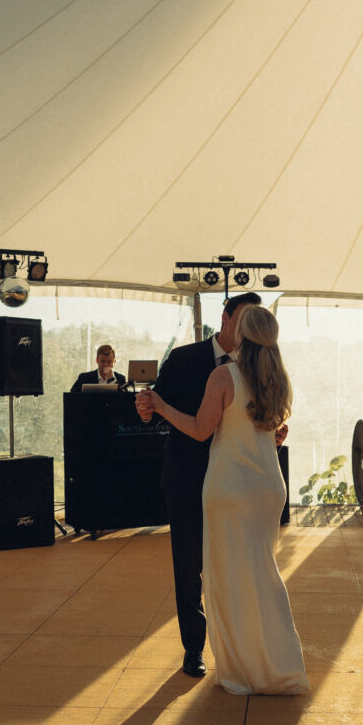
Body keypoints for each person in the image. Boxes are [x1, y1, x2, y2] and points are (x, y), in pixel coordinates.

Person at [139, 304, 309, 696]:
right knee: (261, 576)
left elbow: (201, 430)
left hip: (229, 487)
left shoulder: (224, 374)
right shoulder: (276, 377)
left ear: (241, 331)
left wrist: (162, 407)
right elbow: (270, 426)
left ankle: (240, 670)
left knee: (226, 581)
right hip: (267, 487)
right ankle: (278, 663)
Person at [135, 291, 261, 678]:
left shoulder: (259, 365)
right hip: (187, 478)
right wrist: (144, 410)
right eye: (243, 319)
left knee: (236, 566)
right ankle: (194, 649)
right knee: (189, 567)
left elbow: (263, 417)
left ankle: (239, 647)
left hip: (238, 481)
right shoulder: (184, 359)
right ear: (225, 318)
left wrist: (275, 431)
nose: (248, 329)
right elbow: (157, 411)